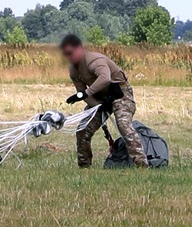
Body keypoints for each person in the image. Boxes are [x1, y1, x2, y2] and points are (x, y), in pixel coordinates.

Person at [59, 33, 148, 168]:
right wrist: (98, 106)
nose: (68, 57)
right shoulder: (73, 71)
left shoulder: (94, 61)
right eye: (66, 54)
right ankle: (84, 167)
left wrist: (87, 93)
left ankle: (141, 164)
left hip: (120, 93)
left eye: (70, 53)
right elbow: (83, 94)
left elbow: (104, 78)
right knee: (83, 130)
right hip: (99, 97)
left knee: (123, 124)